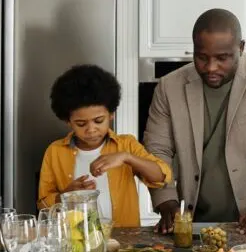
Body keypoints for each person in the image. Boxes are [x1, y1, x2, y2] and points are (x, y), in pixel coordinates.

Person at [145, 8, 246, 234]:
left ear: (241, 48)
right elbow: (157, 149)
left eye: (222, 58)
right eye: (202, 57)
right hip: (193, 221)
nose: (211, 68)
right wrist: (166, 201)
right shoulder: (169, 87)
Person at [38, 65, 172, 227]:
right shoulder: (55, 152)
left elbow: (161, 177)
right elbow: (43, 205)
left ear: (111, 114)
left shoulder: (125, 145)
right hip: (74, 241)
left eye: (99, 121)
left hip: (124, 240)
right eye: (81, 124)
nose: (91, 129)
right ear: (68, 121)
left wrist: (126, 157)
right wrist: (67, 195)